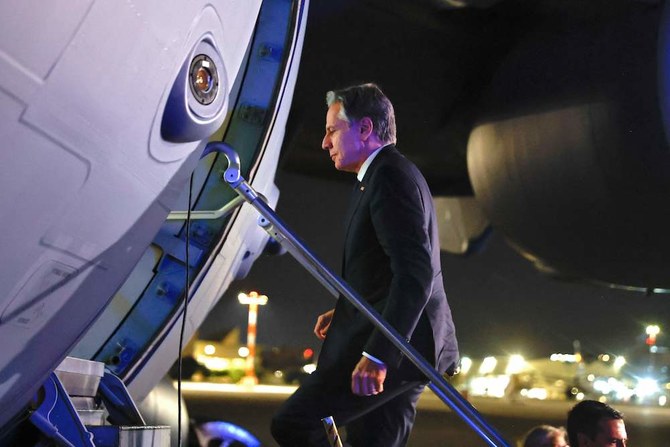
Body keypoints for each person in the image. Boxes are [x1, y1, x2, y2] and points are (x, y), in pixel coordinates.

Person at [270, 83, 459, 447]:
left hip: (398, 347)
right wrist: (346, 308)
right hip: (415, 344)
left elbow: (415, 272)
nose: (325, 143)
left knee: (294, 425)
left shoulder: (388, 178)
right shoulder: (389, 174)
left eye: (331, 130)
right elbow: (387, 272)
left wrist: (378, 355)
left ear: (365, 128)